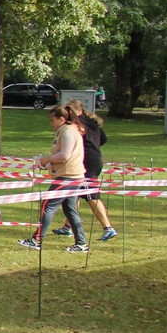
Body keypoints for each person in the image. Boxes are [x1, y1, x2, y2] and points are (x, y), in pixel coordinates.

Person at [17, 105, 88, 253]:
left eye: (52, 120)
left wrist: (45, 159)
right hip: (71, 175)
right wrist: (48, 163)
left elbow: (64, 156)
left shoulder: (67, 131)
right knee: (70, 209)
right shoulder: (67, 131)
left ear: (61, 119)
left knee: (48, 205)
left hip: (68, 177)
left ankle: (36, 240)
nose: (51, 123)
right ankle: (81, 243)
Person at [53, 99, 116, 242]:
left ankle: (108, 228)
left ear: (75, 110)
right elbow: (103, 139)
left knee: (91, 195)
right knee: (75, 192)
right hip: (95, 159)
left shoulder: (76, 124)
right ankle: (67, 227)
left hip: (88, 162)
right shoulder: (92, 122)